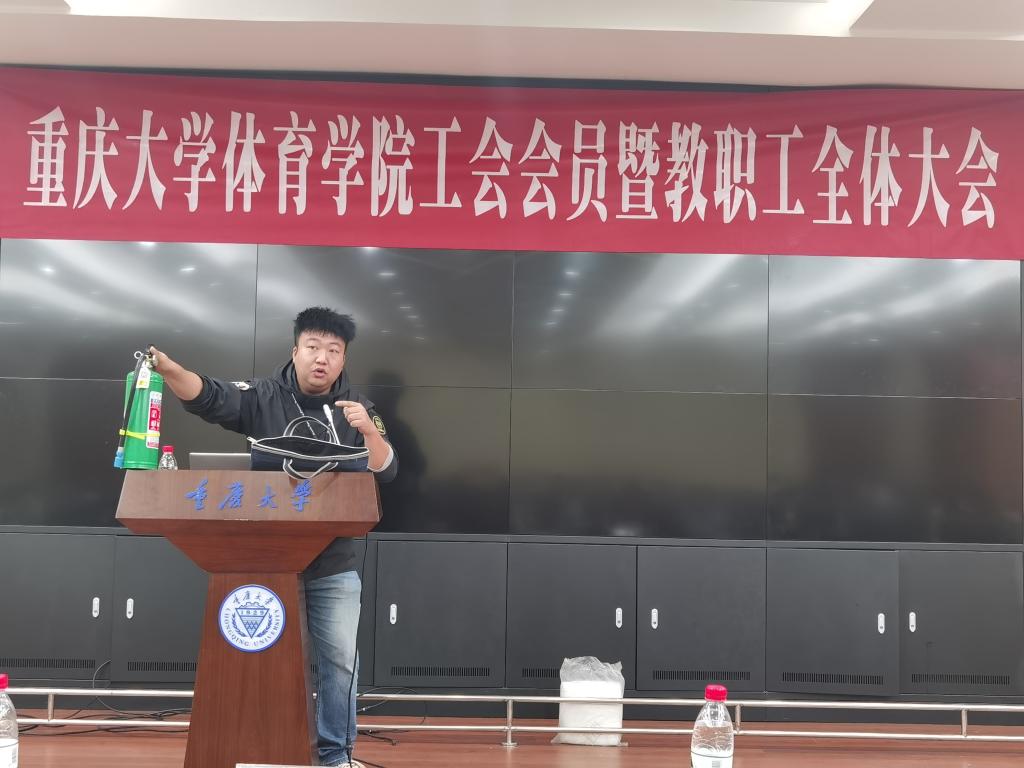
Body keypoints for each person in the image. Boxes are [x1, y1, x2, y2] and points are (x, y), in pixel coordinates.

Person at [150, 306, 397, 768]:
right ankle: (267, 749)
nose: (322, 358)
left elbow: (387, 468)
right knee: (266, 658)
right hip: (264, 564)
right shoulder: (263, 396)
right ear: (295, 351)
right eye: (313, 347)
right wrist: (168, 370)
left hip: (333, 563)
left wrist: (367, 431)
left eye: (333, 351)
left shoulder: (357, 408)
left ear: (343, 360)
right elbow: (208, 396)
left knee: (341, 662)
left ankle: (336, 756)